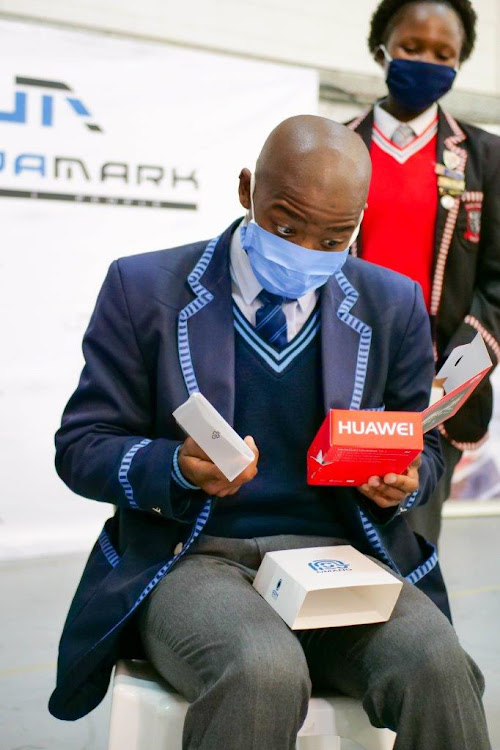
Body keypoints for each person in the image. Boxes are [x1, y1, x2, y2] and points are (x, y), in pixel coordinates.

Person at [49, 116, 491, 749]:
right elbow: (82, 446)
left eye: (336, 236)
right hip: (194, 556)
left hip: (341, 558)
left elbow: (423, 447)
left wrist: (407, 479)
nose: (307, 249)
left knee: (440, 666)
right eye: (286, 226)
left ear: (359, 223)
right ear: (245, 189)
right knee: (261, 671)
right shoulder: (144, 290)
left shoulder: (390, 303)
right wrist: (175, 467)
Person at [348, 0, 500, 545]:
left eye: (444, 53)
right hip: (339, 379)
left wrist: (455, 372)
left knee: (407, 549)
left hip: (433, 391)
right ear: (382, 48)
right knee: (321, 542)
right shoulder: (338, 145)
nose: (427, 62)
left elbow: (498, 283)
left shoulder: (487, 157)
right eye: (412, 48)